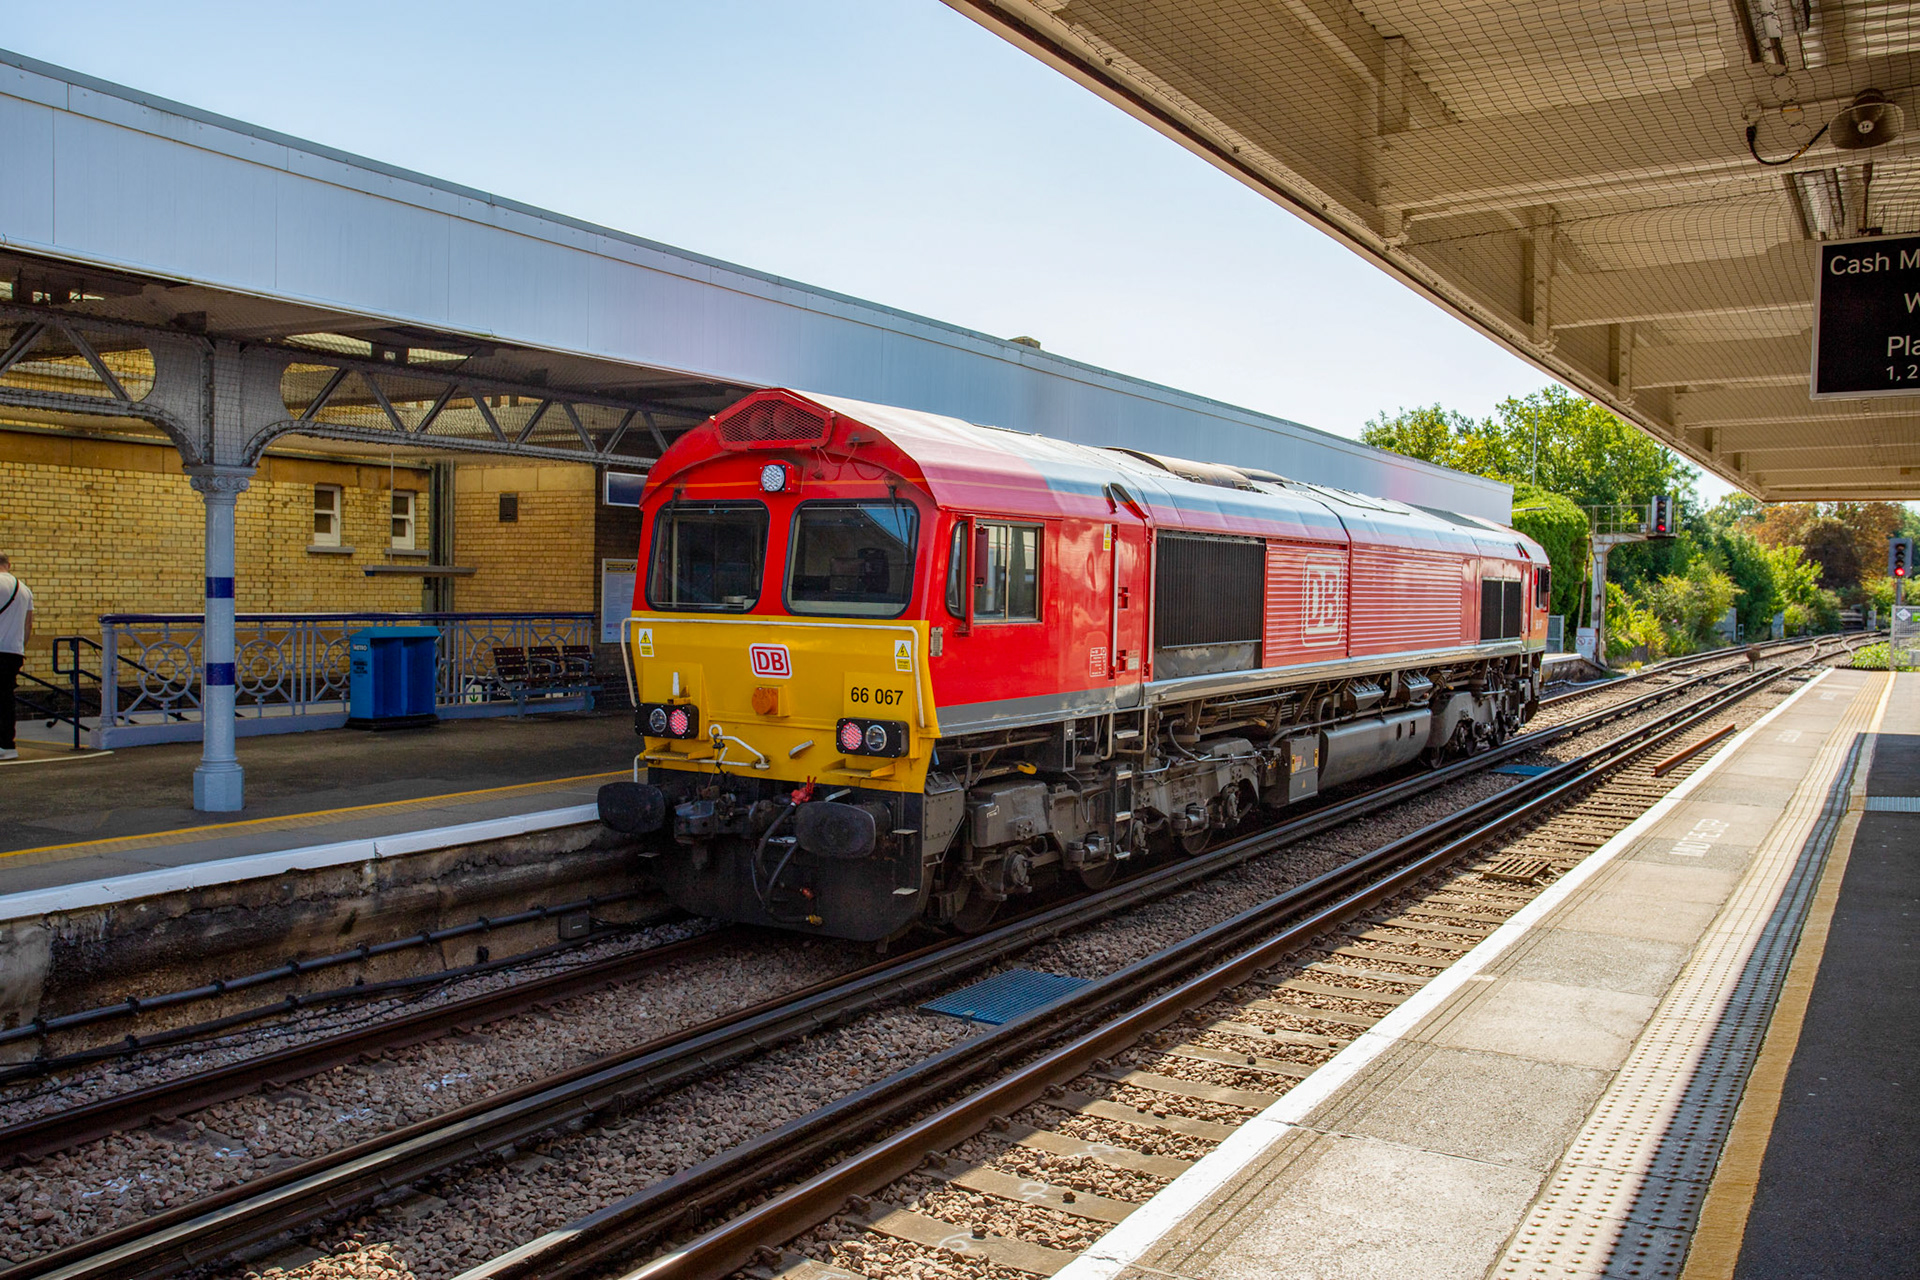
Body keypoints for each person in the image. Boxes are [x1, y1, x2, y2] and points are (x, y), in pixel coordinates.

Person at [0, 553, 33, 761]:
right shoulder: (24, 589)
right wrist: (20, 646)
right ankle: (7, 744)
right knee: (6, 698)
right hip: (14, 651)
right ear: (8, 565)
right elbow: (28, 625)